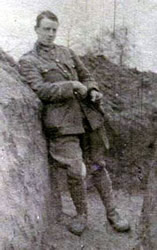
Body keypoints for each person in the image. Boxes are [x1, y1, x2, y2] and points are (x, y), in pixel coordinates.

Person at [19, 10, 130, 236]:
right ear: (36, 30)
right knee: (75, 169)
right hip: (61, 124)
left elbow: (87, 76)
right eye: (46, 29)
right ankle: (82, 215)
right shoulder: (28, 60)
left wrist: (93, 90)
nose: (51, 34)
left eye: (54, 30)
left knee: (98, 165)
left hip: (87, 119)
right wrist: (71, 85)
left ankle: (112, 212)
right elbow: (41, 90)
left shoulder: (67, 53)